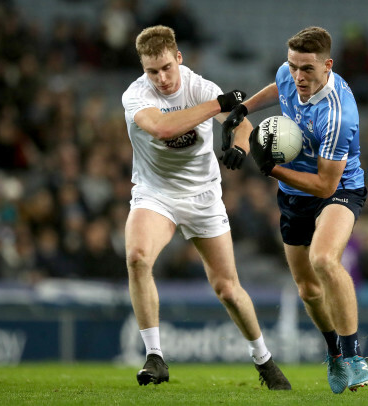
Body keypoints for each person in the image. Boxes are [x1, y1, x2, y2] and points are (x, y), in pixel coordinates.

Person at [121, 25, 290, 390]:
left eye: (167, 67)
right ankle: (155, 355)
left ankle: (264, 360)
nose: (162, 78)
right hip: (156, 193)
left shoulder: (199, 86)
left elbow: (242, 127)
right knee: (136, 257)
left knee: (227, 288)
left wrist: (240, 147)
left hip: (203, 196)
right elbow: (163, 129)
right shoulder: (135, 96)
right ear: (143, 69)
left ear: (178, 57)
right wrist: (219, 106)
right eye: (152, 71)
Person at [221, 26, 368, 394]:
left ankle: (353, 356)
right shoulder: (288, 75)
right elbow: (278, 87)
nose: (298, 77)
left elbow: (325, 184)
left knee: (324, 260)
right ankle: (334, 354)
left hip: (338, 189)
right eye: (293, 67)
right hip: (292, 193)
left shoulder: (338, 115)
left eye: (307, 69)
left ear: (328, 66)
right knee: (307, 289)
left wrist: (270, 168)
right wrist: (243, 108)